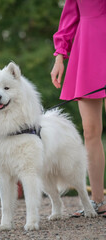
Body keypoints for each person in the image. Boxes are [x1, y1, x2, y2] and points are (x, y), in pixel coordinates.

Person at [51, 0, 106, 217]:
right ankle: (98, 201)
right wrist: (59, 57)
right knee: (91, 131)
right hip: (87, 52)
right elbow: (68, 19)